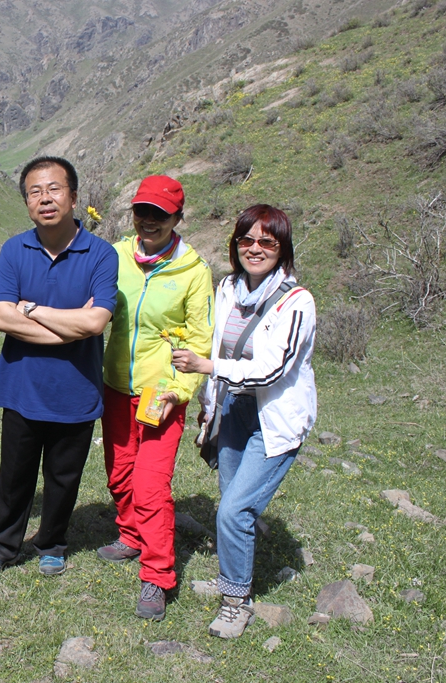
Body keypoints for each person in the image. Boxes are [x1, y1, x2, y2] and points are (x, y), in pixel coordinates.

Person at [172, 204, 316, 639]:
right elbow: (219, 342)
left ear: (282, 248)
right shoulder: (228, 289)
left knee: (235, 510)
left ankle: (236, 602)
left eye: (267, 242)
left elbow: (273, 370)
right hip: (233, 409)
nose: (255, 248)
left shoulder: (296, 302)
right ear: (235, 245)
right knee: (230, 500)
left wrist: (207, 367)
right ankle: (231, 576)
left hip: (274, 419)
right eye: (246, 240)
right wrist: (210, 401)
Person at [0, 156, 118, 579]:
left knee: (64, 475)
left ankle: (52, 542)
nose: (45, 198)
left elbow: (96, 321)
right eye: (35, 192)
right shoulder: (15, 249)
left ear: (73, 196)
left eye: (54, 189)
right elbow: (1, 316)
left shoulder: (101, 254)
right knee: (14, 474)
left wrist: (33, 310)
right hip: (22, 386)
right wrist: (69, 329)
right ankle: (2, 546)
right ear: (26, 203)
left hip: (76, 388)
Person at [98, 175, 213, 621]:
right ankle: (131, 535)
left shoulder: (194, 271)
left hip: (160, 394)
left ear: (177, 218)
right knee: (119, 474)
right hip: (115, 386)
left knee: (150, 486)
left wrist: (177, 392)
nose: (148, 221)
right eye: (141, 211)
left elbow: (200, 341)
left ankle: (158, 575)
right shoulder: (116, 255)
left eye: (159, 215)